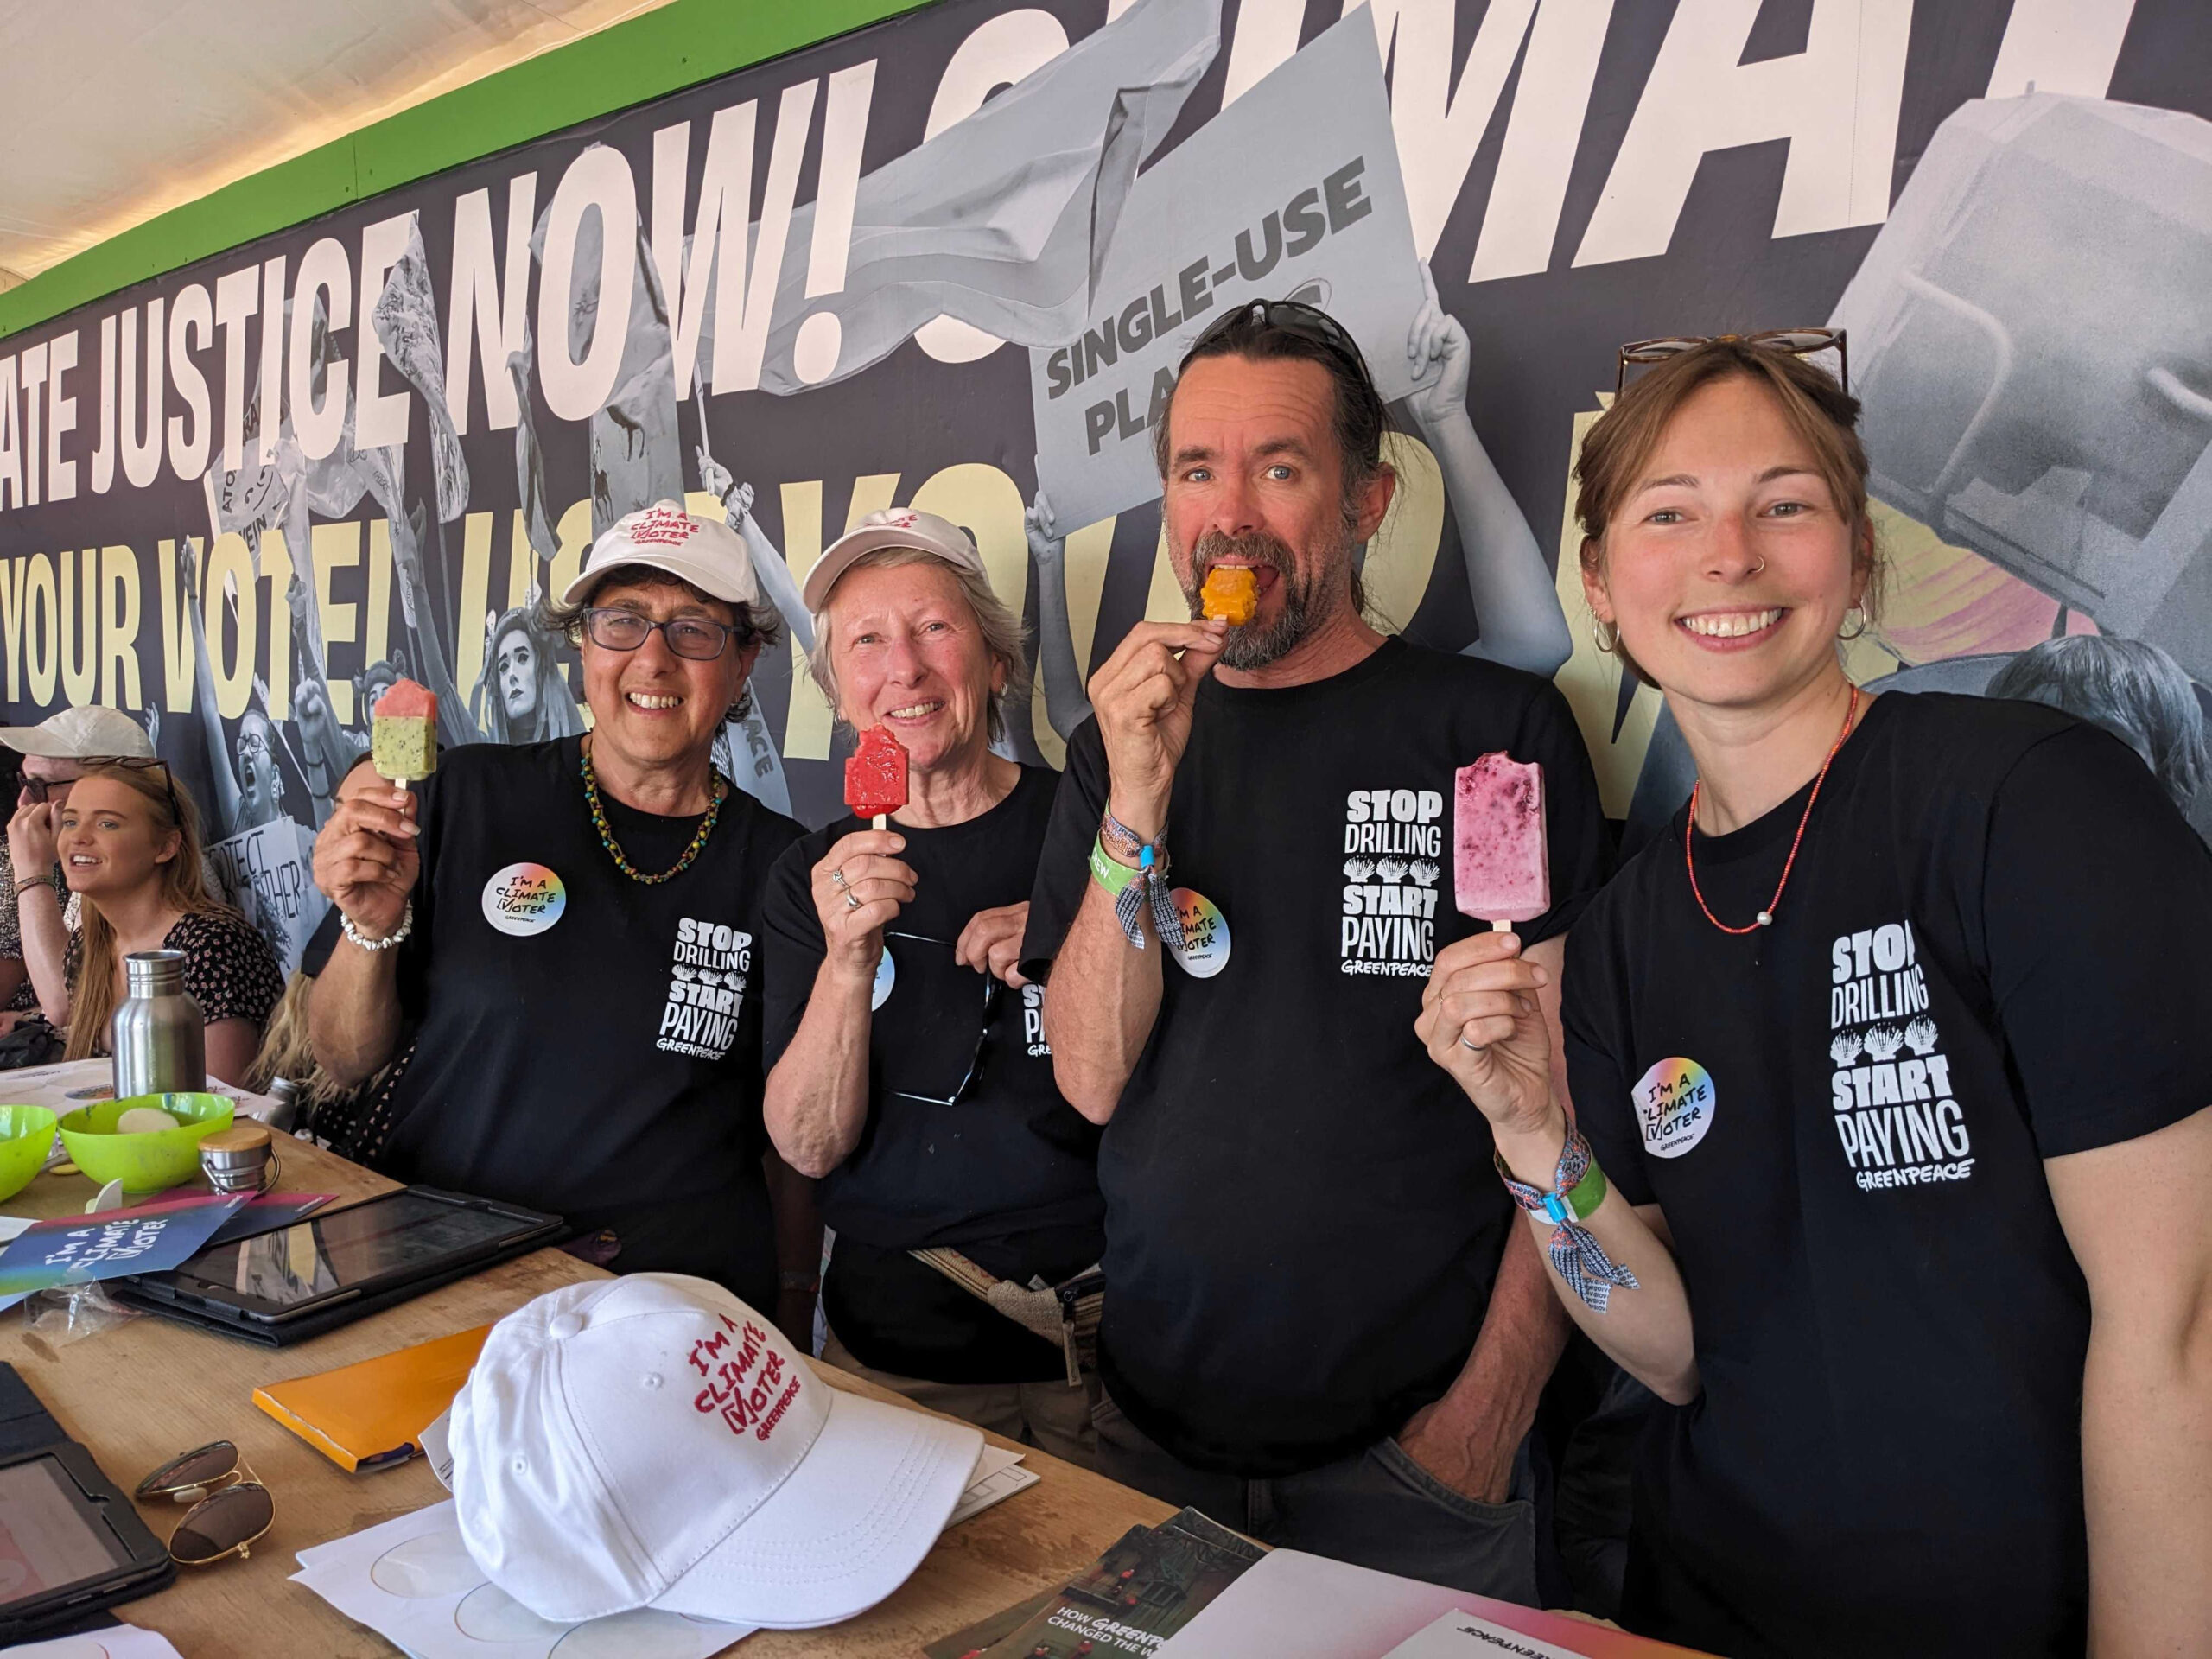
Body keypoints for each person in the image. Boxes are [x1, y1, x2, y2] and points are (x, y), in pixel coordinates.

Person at [1427, 335, 2212, 1655]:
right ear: (1606, 588)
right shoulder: (1619, 931)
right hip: (1709, 1613)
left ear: (1857, 560)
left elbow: (2180, 1335)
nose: (1728, 554)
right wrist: (1530, 1141)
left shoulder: (2033, 804)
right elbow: (1672, 1351)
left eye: (1783, 504)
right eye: (1670, 515)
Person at [1021, 299, 1611, 1599]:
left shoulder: (1491, 738)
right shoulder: (1115, 750)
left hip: (1416, 1465)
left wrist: (1487, 1415)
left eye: (1279, 469)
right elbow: (1090, 1079)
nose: (1229, 515)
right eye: (1194, 471)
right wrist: (1136, 800)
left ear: (1366, 502)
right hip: (1148, 1440)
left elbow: (1562, 1099)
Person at [307, 501, 817, 1337]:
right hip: (442, 1279)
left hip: (676, 1311)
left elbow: (790, 1137)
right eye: (622, 622)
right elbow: (345, 1055)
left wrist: (795, 1304)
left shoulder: (787, 869)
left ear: (745, 661)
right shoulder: (458, 798)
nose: (653, 658)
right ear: (582, 646)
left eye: (694, 628)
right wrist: (370, 923)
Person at [761, 508, 1103, 1464]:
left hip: (1115, 1345)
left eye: (934, 629)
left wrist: (1081, 934)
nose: (902, 668)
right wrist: (845, 961)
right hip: (902, 1355)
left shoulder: (1091, 830)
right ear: (838, 696)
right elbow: (807, 1144)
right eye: (865, 642)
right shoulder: (809, 875)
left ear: (997, 663)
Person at [29, 762, 281, 1080]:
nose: (78, 837)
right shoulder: (87, 944)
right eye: (70, 821)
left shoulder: (212, 945)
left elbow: (226, 1104)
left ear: (165, 847)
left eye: (107, 824)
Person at [3, 707, 160, 1018]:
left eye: (39, 786)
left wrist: (30, 872)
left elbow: (67, 1004)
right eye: (22, 781)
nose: (23, 802)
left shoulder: (134, 862)